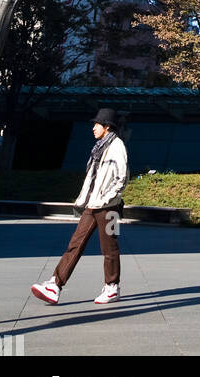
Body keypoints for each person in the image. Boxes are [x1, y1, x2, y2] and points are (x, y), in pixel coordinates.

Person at [31, 108, 129, 307]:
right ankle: (55, 285)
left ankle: (112, 287)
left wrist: (106, 198)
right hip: (92, 206)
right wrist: (86, 199)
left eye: (97, 124)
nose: (93, 128)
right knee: (75, 244)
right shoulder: (99, 147)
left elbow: (122, 178)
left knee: (110, 248)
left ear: (107, 126)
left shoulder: (117, 146)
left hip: (110, 208)